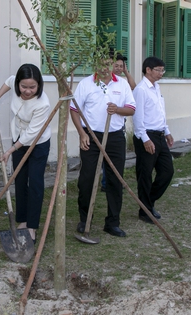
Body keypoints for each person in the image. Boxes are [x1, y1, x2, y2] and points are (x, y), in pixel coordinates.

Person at [71, 56, 136, 237]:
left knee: (116, 179)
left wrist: (118, 109)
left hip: (115, 137)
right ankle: (85, 219)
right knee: (87, 178)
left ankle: (113, 222)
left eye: (108, 64)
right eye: (101, 63)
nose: (105, 67)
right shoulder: (86, 84)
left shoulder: (122, 85)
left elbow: (131, 109)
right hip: (91, 136)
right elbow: (74, 109)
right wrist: (82, 134)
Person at [0, 64, 51, 243]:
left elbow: (32, 133)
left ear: (39, 85)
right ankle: (22, 221)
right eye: (24, 86)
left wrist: (10, 150)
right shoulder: (15, 84)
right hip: (18, 138)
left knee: (35, 183)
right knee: (20, 179)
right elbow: (8, 82)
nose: (28, 91)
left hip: (38, 143)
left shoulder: (42, 104)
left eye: (33, 87)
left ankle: (32, 226)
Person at [132, 57, 174, 224]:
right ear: (148, 70)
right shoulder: (141, 90)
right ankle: (145, 210)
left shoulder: (157, 87)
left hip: (160, 134)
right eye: (158, 70)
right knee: (145, 174)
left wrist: (167, 131)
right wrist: (145, 139)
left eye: (162, 70)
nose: (161, 73)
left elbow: (160, 112)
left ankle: (147, 202)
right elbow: (137, 117)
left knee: (167, 171)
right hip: (146, 135)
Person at [101, 53, 137, 192]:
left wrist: (126, 72)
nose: (119, 68)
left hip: (117, 125)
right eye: (116, 65)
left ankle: (112, 182)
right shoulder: (103, 81)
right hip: (102, 126)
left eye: (121, 66)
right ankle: (105, 182)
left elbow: (133, 86)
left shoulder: (121, 82)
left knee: (114, 157)